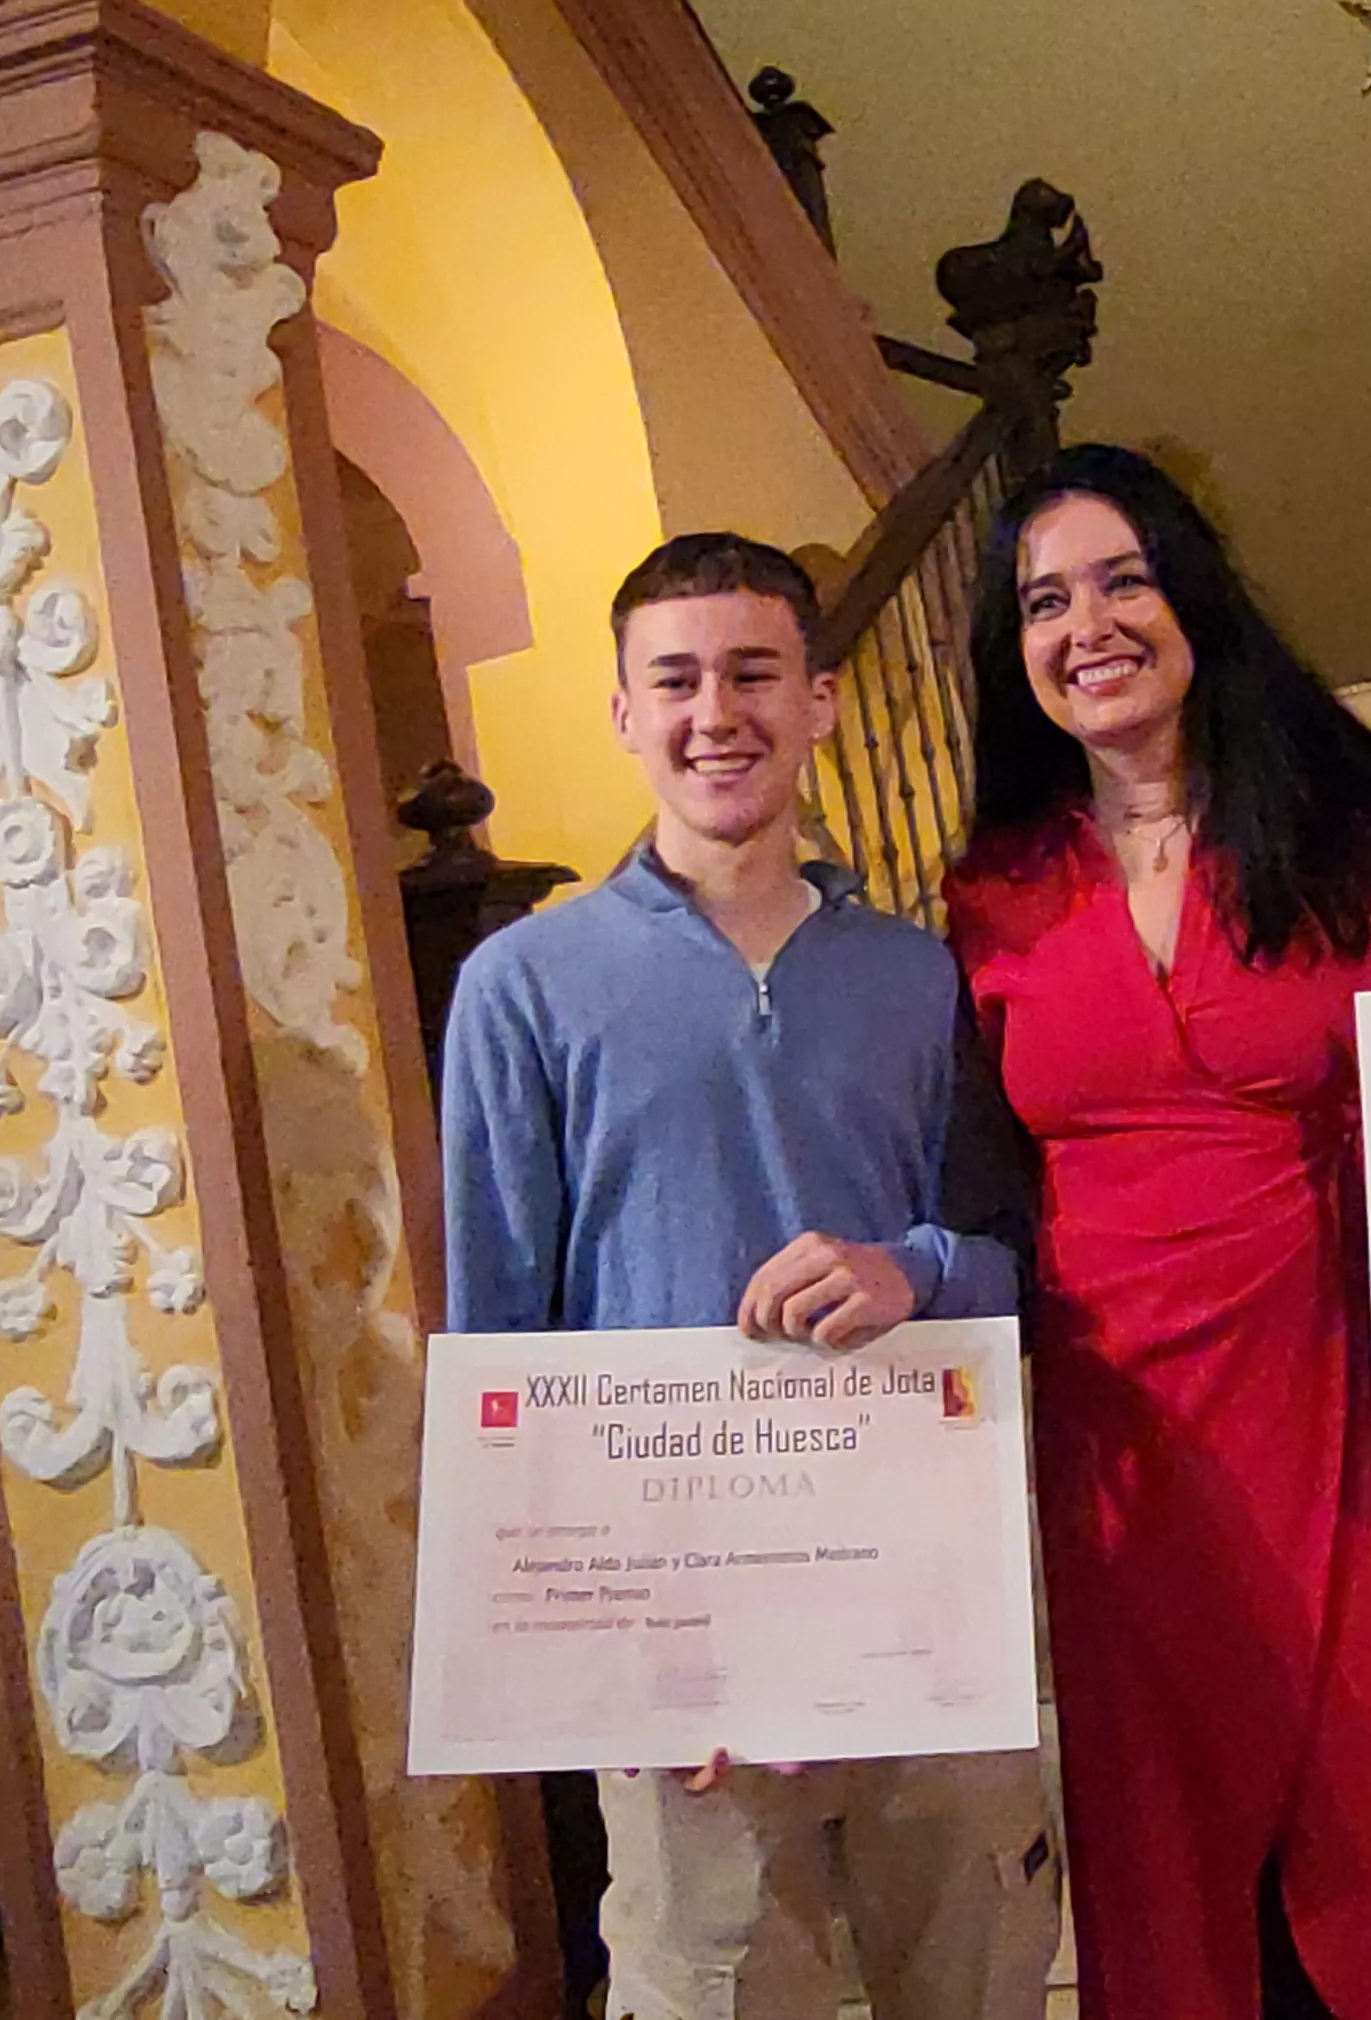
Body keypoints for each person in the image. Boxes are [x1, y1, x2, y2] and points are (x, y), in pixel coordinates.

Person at [942, 445, 1371, 2020]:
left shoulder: (1362, 819)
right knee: (1184, 1860)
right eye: (1044, 600)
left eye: (1123, 579)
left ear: (1195, 596)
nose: (1088, 623)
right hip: (1135, 1446)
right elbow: (976, 1180)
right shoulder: (994, 886)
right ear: (1011, 647)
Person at [442, 531, 1064, 2020]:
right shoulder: (523, 987)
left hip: (918, 1585)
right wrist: (619, 1652)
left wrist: (916, 1268)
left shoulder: (923, 973)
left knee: (974, 1974)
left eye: (752, 673)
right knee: (711, 1984)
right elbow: (502, 1345)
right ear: (622, 712)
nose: (715, 712)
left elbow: (1007, 1252)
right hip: (680, 1631)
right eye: (675, 679)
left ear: (822, 700)